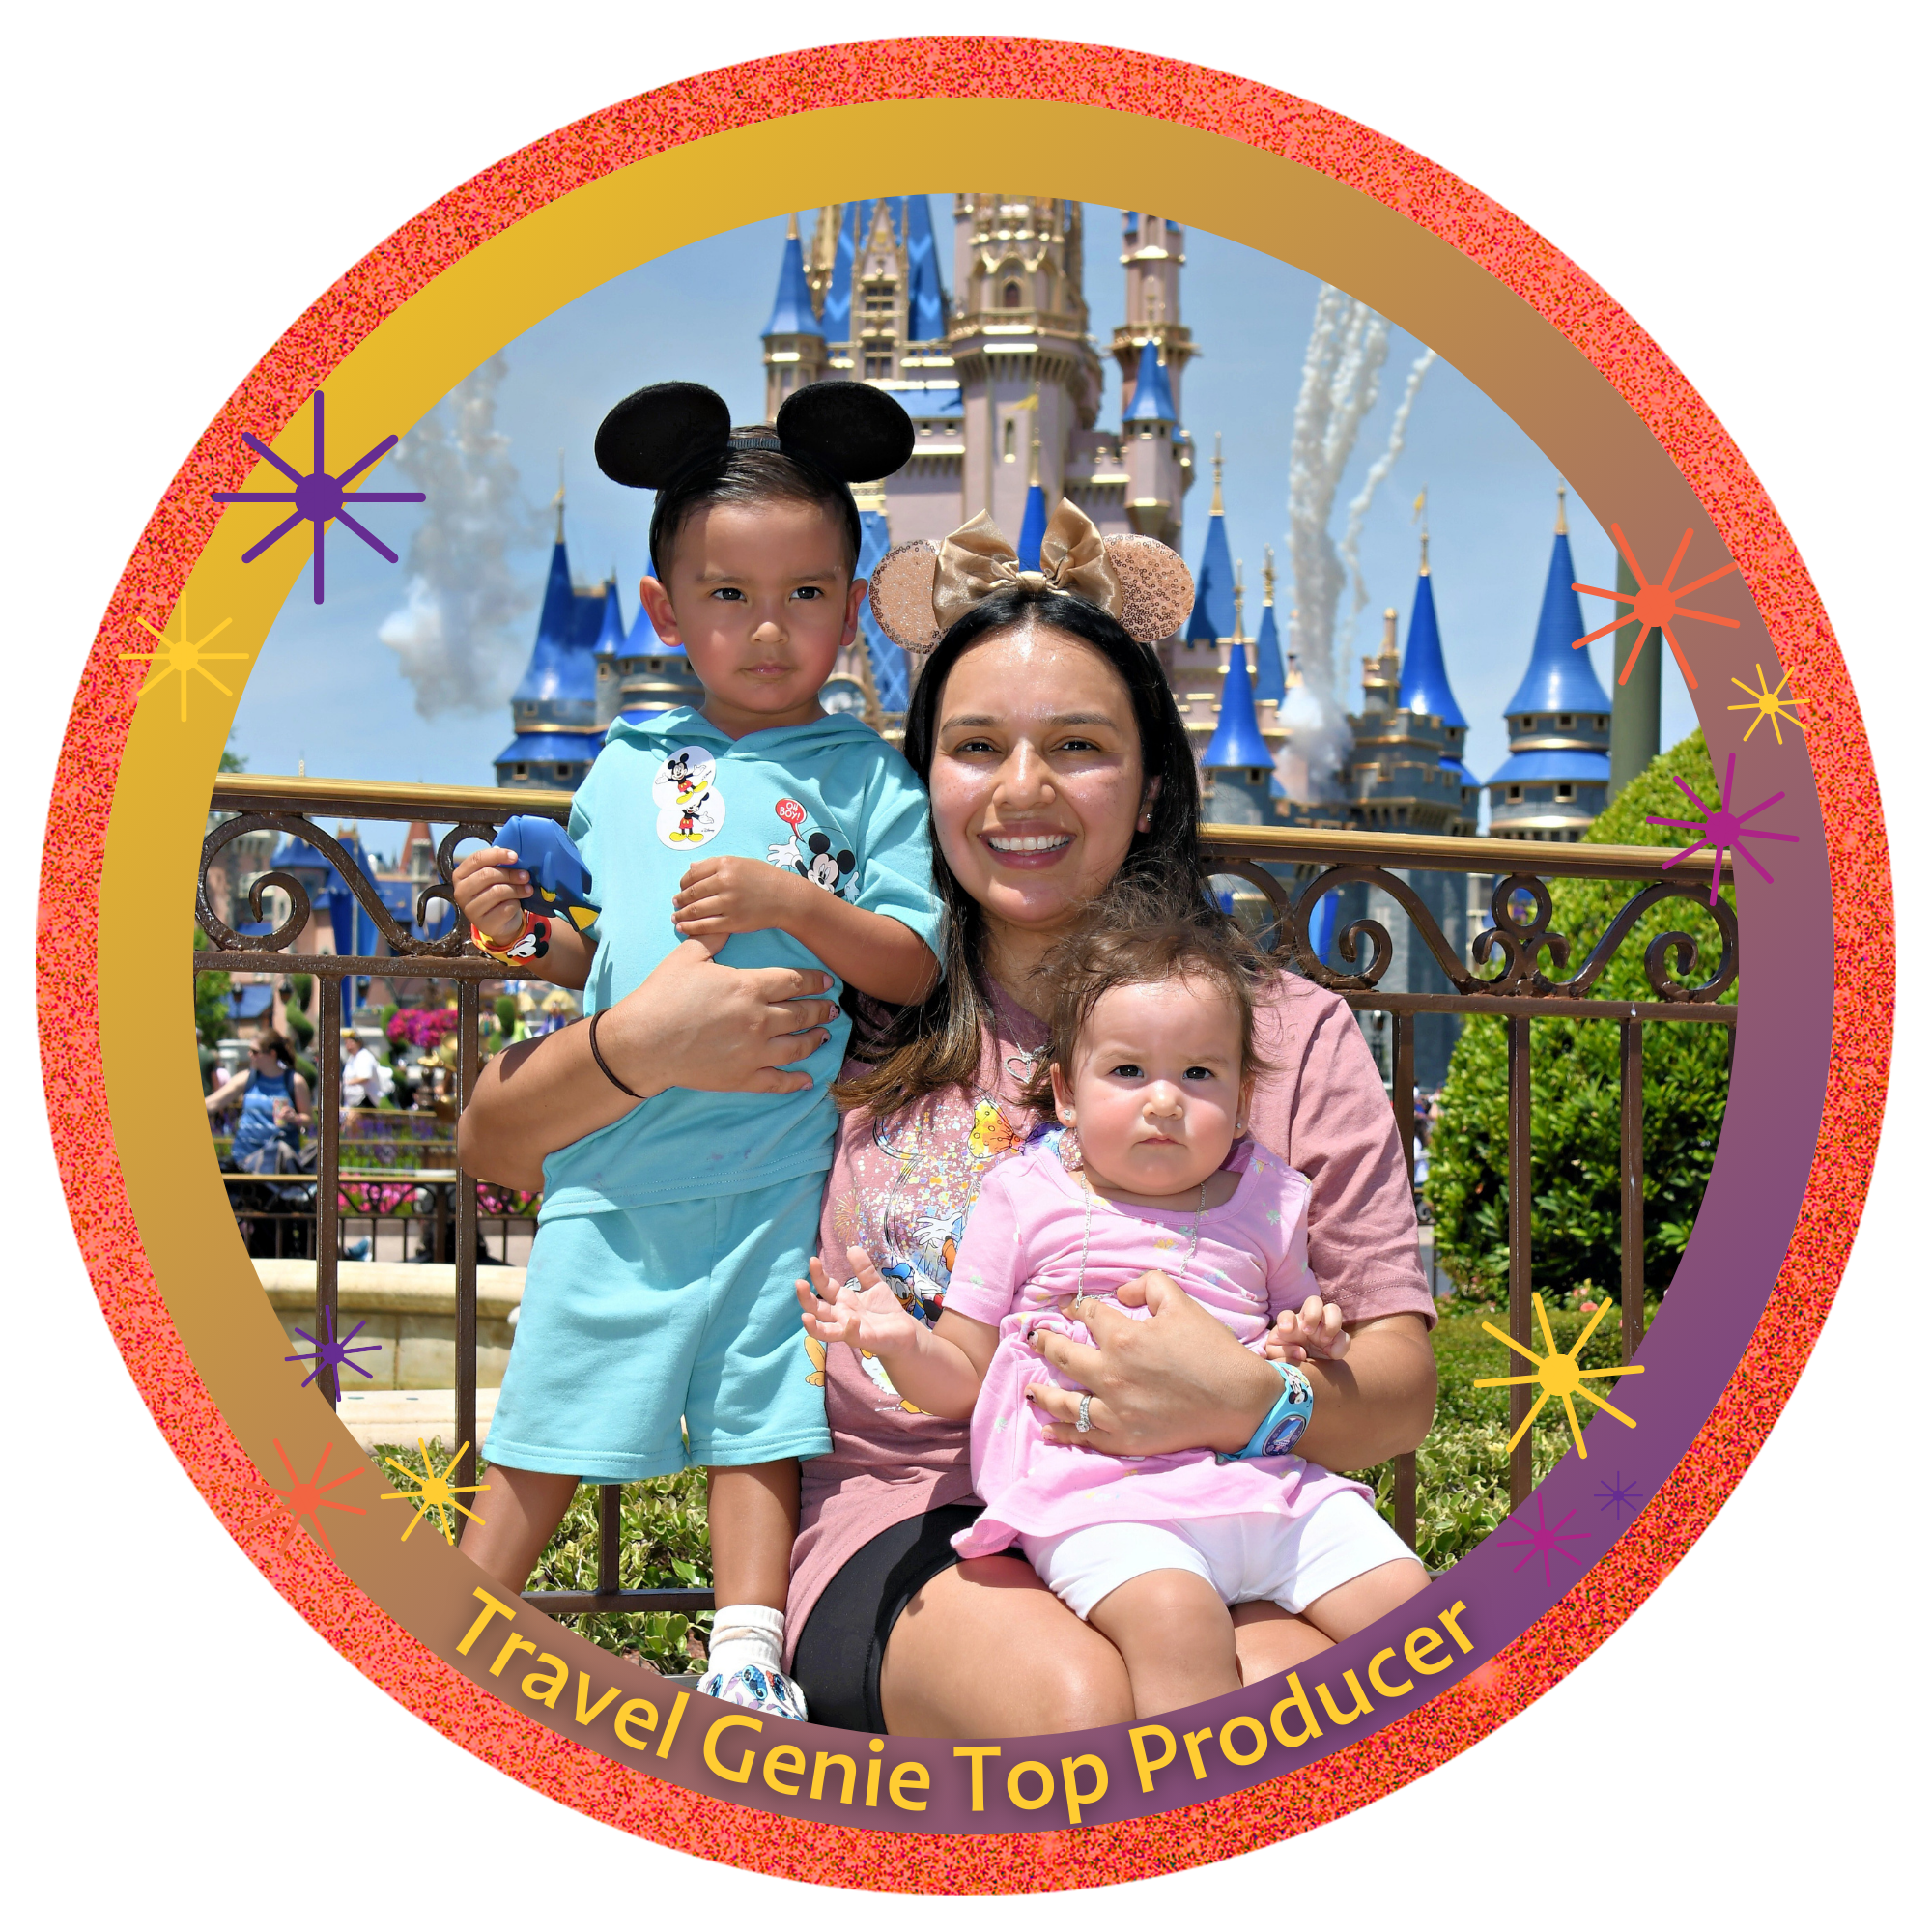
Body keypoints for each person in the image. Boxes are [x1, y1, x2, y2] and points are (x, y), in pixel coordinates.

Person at [457, 500, 1435, 1738]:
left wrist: (1247, 1396)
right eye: (975, 745)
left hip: (1217, 1498)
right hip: (909, 1508)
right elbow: (493, 1145)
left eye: (1076, 744)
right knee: (1078, 1701)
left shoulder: (1283, 1034)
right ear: (922, 782)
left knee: (1305, 1690)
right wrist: (632, 1042)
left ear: (1146, 789)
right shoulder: (852, 997)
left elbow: (1398, 1386)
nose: (1021, 789)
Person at [448, 380, 946, 1721]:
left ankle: (743, 1650)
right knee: (548, 1414)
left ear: (853, 606)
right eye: (727, 596)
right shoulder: (621, 765)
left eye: (804, 594)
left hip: (780, 1169)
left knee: (760, 1418)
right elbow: (597, 953)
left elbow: (910, 958)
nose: (767, 628)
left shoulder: (870, 782)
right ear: (666, 613)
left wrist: (796, 906)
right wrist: (512, 936)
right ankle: (449, 1632)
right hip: (620, 1164)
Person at [798, 914, 1427, 1719]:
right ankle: (1175, 1830)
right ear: (1067, 1091)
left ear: (1242, 1101)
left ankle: (1494, 1804)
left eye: (1199, 1074)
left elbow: (1297, 1323)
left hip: (1265, 1489)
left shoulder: (1272, 1199)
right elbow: (965, 1374)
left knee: (1413, 1611)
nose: (1164, 1101)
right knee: (1177, 1623)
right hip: (1103, 1496)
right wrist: (897, 1343)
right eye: (1128, 1071)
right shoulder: (1026, 1199)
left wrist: (1306, 1343)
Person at [207, 1030, 312, 1173]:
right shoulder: (247, 1078)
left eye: (255, 1052)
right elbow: (213, 1103)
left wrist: (295, 1118)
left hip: (278, 1167)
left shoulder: (294, 1081)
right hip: (244, 1161)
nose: (250, 1055)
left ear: (272, 1054)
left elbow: (308, 1118)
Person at [342, 1032, 381, 1109]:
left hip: (365, 1100)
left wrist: (346, 1083)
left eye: (351, 1043)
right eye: (346, 1043)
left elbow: (365, 1077)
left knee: (349, 1120)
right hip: (352, 1102)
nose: (348, 1046)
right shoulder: (351, 1059)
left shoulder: (364, 1056)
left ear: (358, 1043)